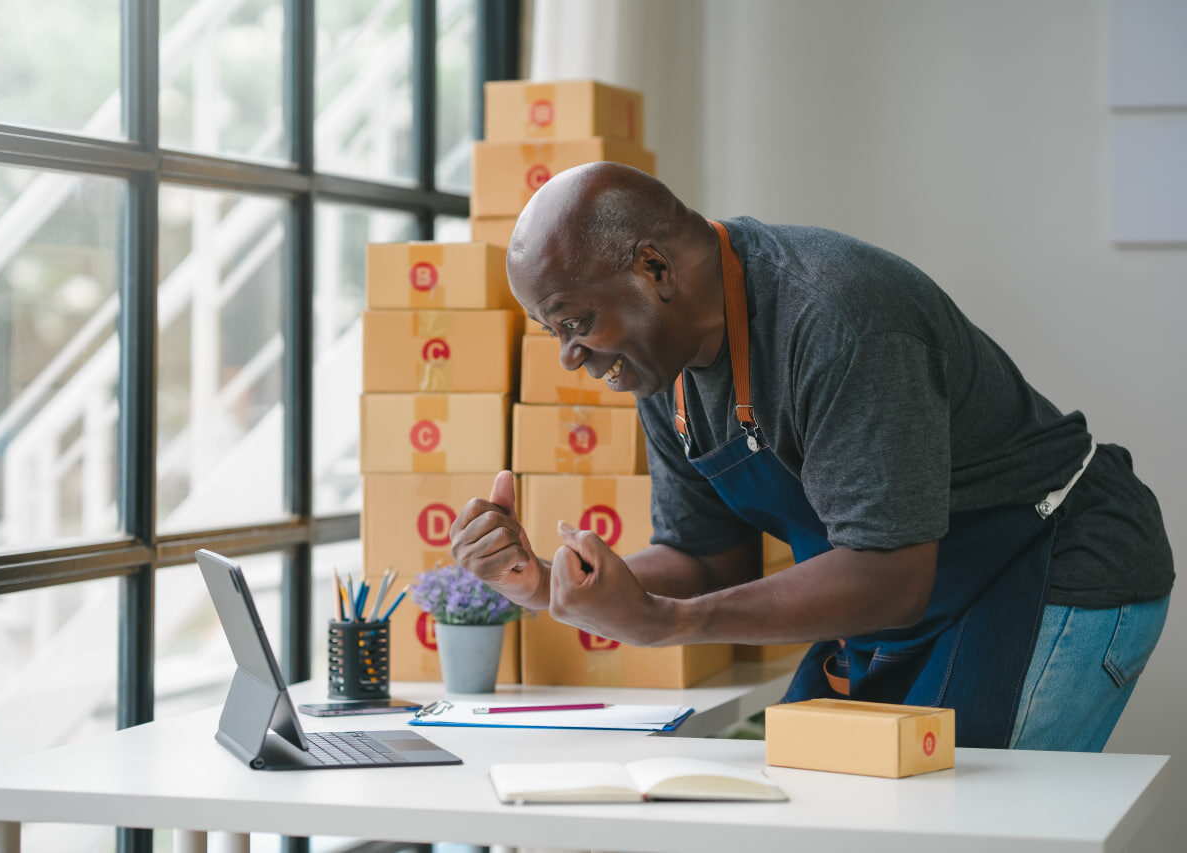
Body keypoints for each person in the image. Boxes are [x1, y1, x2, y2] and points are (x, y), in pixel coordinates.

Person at [448, 161, 1174, 750]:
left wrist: (668, 622)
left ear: (654, 268)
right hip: (906, 591)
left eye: (575, 322)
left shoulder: (838, 317)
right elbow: (706, 558)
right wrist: (548, 583)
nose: (571, 355)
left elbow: (890, 574)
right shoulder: (661, 366)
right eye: (554, 332)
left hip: (1053, 562)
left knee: (954, 826)